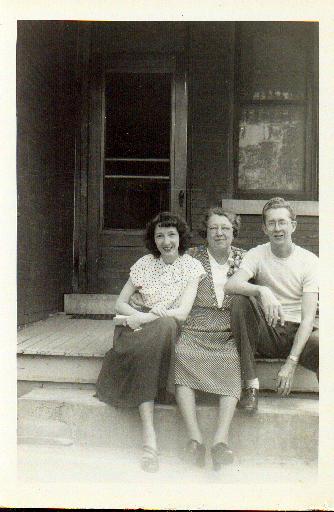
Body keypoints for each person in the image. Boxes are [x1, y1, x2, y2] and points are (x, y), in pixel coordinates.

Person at [95, 212, 205, 473]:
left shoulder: (191, 267)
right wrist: (143, 316)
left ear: (180, 238)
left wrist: (154, 316)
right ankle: (149, 436)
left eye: (171, 235)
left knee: (165, 325)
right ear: (153, 240)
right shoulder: (144, 263)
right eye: (160, 236)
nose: (166, 241)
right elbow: (120, 302)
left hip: (165, 329)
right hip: (135, 328)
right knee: (156, 336)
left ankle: (149, 441)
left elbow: (183, 312)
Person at [225, 197, 319, 414]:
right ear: (264, 228)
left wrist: (290, 363)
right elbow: (231, 285)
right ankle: (251, 387)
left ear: (293, 225)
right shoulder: (257, 254)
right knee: (240, 300)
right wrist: (261, 290)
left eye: (282, 222)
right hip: (268, 331)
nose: (278, 228)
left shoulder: (309, 261)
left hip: (299, 334)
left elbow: (307, 319)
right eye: (272, 223)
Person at [172, 207, 246, 470]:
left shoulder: (245, 259)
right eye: (214, 228)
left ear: (233, 232)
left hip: (227, 329)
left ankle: (220, 442)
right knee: (182, 354)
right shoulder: (192, 257)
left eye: (225, 228)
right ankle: (194, 439)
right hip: (195, 326)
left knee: (232, 359)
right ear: (206, 232)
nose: (219, 233)